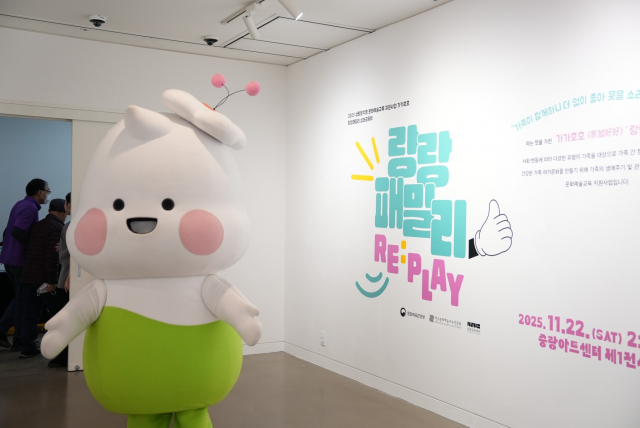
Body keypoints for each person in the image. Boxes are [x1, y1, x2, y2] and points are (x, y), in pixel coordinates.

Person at [0, 179, 50, 350]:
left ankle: (17, 339)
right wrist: (35, 246)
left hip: (10, 259)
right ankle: (10, 335)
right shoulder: (30, 208)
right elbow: (18, 231)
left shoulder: (20, 204)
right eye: (47, 191)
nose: (47, 195)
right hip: (19, 260)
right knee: (23, 301)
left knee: (20, 299)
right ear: (39, 192)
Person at [18, 198, 66, 359]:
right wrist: (52, 281)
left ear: (49, 210)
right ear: (63, 213)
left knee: (30, 314)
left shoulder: (37, 226)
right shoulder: (57, 228)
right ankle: (57, 350)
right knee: (56, 315)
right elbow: (52, 258)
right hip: (45, 279)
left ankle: (27, 348)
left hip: (29, 276)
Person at [48, 193, 71, 368]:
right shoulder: (69, 227)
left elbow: (70, 256)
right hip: (68, 279)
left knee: (64, 320)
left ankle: (63, 357)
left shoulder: (70, 226)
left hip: (67, 280)